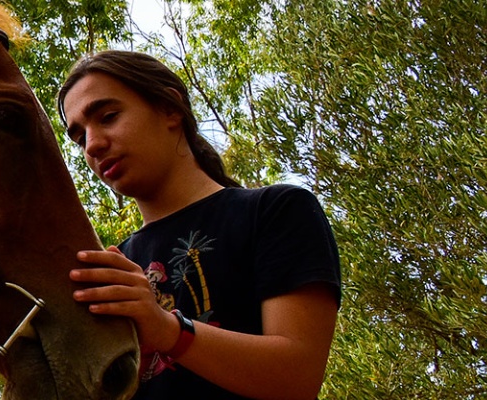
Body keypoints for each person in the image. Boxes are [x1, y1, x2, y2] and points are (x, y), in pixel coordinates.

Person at [58, 50, 341, 399]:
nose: (93, 145)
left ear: (170, 109)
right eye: (79, 137)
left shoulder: (275, 212)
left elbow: (297, 378)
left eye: (109, 116)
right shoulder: (115, 265)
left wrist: (168, 330)